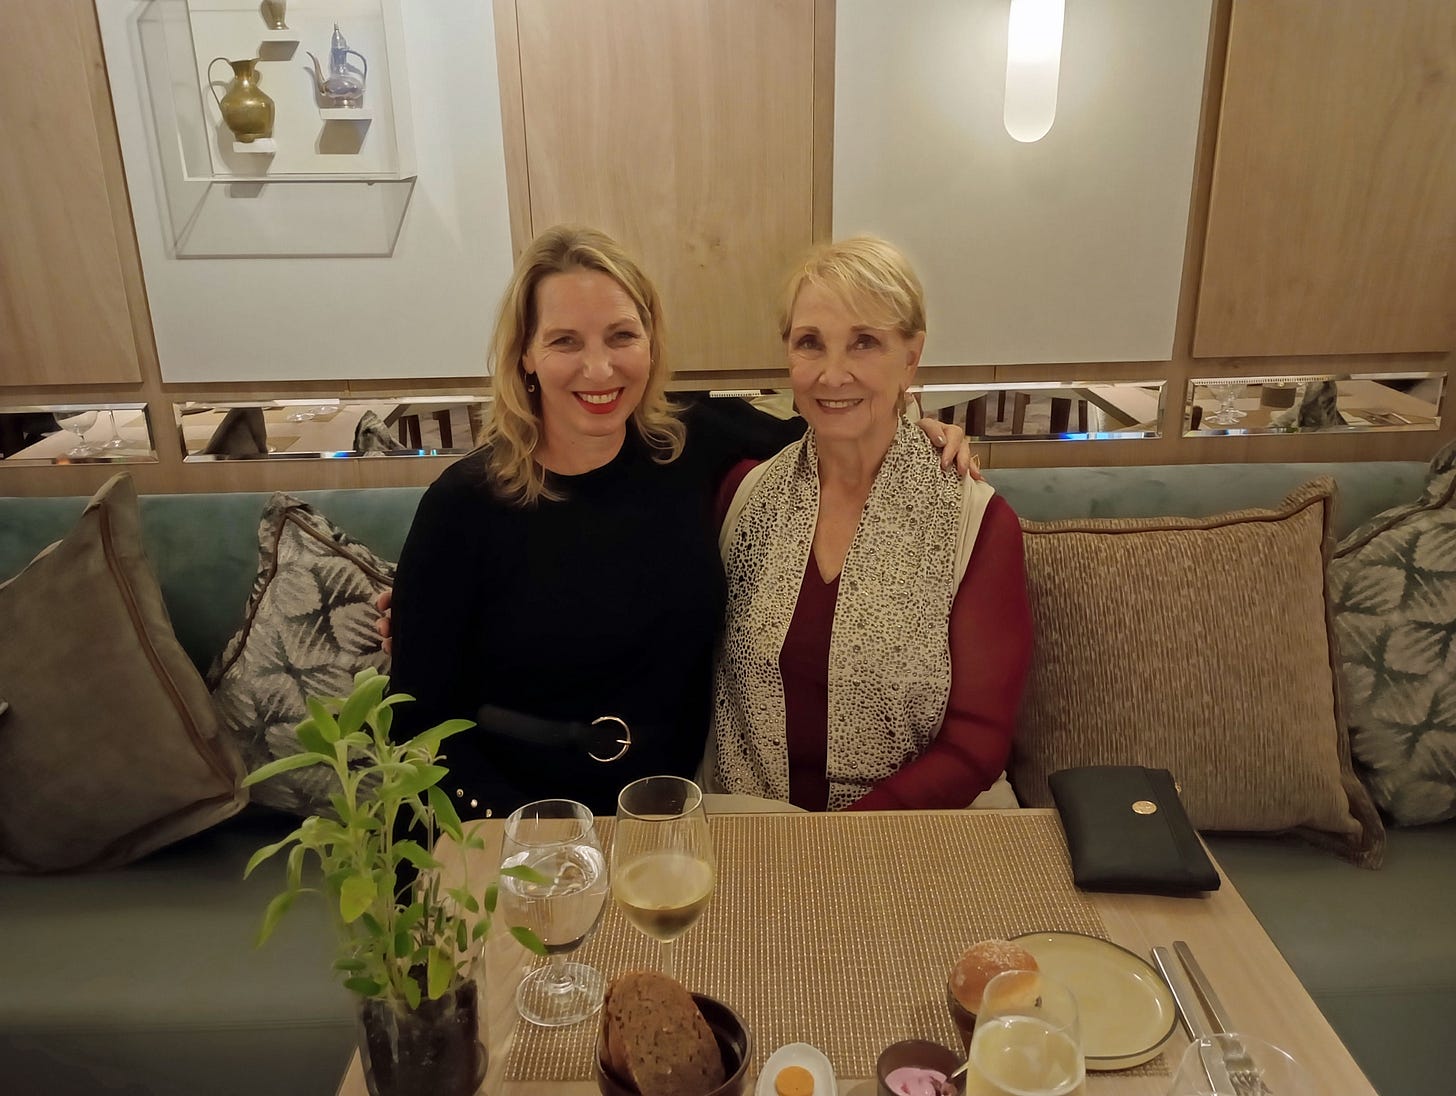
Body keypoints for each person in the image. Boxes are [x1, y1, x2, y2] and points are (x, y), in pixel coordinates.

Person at [386, 225, 970, 818]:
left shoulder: (692, 442)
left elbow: (837, 424)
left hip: (678, 818)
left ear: (650, 342)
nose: (599, 367)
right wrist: (528, 839)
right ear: (525, 355)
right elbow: (415, 725)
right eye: (565, 341)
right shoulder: (464, 505)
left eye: (621, 336)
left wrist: (918, 426)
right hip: (509, 826)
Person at [710, 237, 1033, 811]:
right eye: (810, 343)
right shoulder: (745, 497)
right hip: (752, 825)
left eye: (865, 343)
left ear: (911, 357)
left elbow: (977, 742)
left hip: (915, 829)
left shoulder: (974, 522)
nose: (833, 375)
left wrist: (842, 842)